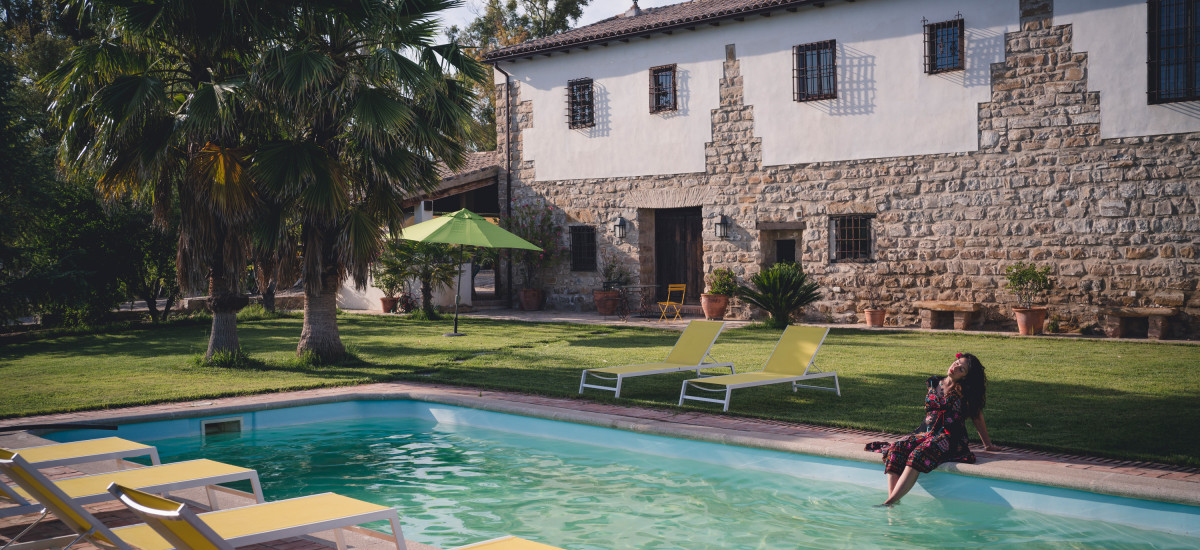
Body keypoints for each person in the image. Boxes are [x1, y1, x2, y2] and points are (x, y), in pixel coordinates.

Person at [865, 353, 999, 506]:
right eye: (956, 363)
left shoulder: (965, 392)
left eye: (961, 369)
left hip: (949, 438)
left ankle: (889, 502)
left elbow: (977, 417)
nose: (955, 367)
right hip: (925, 432)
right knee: (896, 448)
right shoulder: (933, 382)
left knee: (918, 454)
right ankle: (894, 500)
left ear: (965, 377)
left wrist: (987, 444)